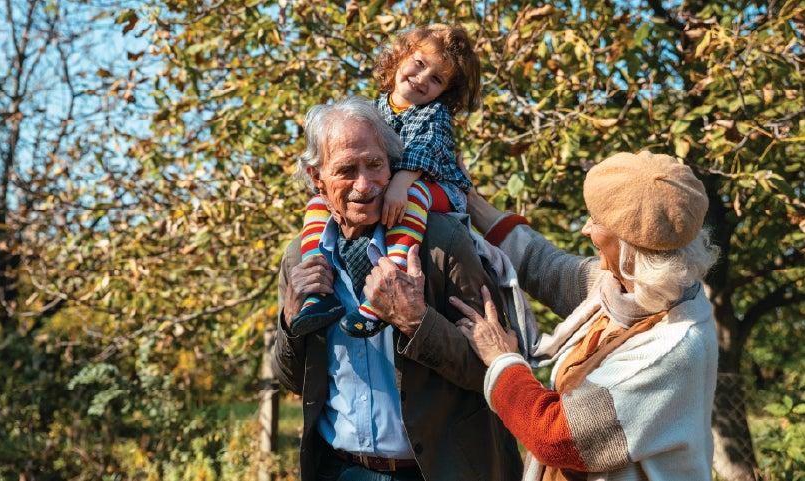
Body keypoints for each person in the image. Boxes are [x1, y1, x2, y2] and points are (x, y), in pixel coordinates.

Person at [271, 97, 522, 481]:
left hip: (436, 471)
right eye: (346, 170)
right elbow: (291, 379)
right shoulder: (299, 258)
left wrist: (416, 320)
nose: (365, 184)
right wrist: (291, 321)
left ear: (393, 165)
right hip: (340, 470)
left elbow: (493, 370)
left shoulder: (440, 243)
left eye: (375, 165)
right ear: (316, 177)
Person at [445, 151, 720, 480]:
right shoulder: (630, 292)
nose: (587, 229)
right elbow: (546, 268)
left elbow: (557, 437)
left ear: (630, 249)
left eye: (599, 222)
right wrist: (470, 199)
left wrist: (502, 359)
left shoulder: (673, 347)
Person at [290, 24, 481, 338]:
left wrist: (399, 184)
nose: (421, 80)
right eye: (419, 65)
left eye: (436, 79)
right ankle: (316, 287)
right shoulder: (375, 108)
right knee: (315, 203)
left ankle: (392, 278)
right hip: (399, 186)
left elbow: (423, 151)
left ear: (444, 91)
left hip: (438, 188)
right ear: (400, 57)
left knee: (415, 194)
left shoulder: (433, 113)